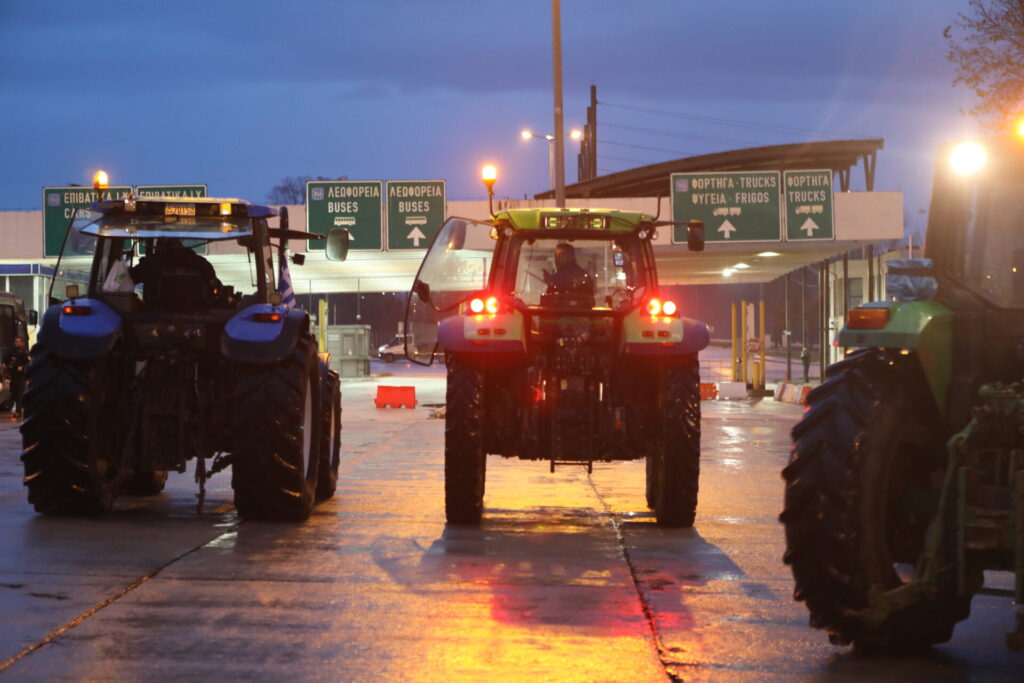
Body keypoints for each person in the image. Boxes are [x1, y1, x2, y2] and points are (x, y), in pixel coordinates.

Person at [130, 238, 220, 308]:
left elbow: (127, 280)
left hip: (157, 315)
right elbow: (216, 286)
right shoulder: (200, 263)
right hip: (198, 314)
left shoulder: (150, 264)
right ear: (180, 243)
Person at [3, 336, 29, 421]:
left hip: (21, 376)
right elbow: (6, 359)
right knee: (13, 392)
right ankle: (12, 407)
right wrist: (4, 364)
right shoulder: (12, 351)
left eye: (18, 342)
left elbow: (28, 363)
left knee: (19, 393)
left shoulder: (25, 352)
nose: (16, 343)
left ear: (22, 342)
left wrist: (23, 367)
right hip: (13, 375)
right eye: (15, 341)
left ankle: (19, 411)